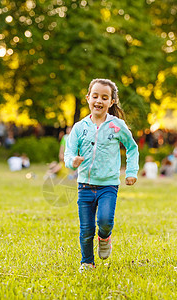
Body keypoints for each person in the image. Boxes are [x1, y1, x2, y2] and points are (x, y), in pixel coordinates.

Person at [64, 78, 139, 273]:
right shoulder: (80, 127)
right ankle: (87, 262)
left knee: (105, 221)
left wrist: (131, 172)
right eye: (95, 96)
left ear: (111, 102)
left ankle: (104, 237)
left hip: (108, 185)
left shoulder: (117, 125)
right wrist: (72, 161)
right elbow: (68, 152)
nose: (99, 100)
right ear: (88, 98)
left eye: (104, 97)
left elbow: (132, 148)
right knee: (86, 229)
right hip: (85, 186)